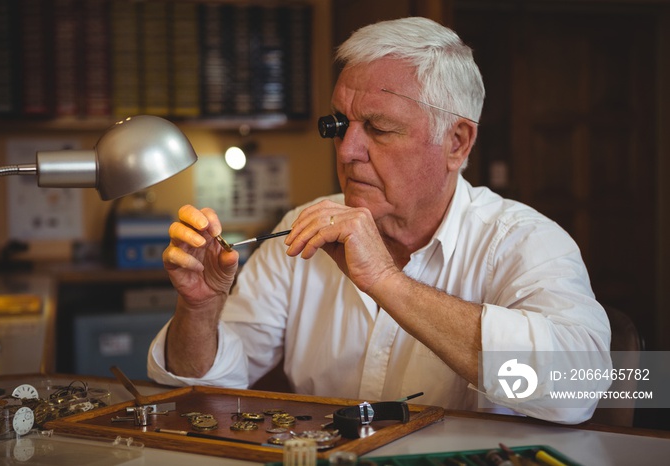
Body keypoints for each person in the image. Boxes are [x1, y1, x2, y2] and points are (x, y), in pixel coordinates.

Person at [148, 17, 611, 424]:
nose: (347, 151)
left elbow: (579, 390)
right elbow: (207, 392)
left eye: (379, 128)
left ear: (457, 142)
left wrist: (387, 282)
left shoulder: (524, 241)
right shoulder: (301, 227)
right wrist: (200, 310)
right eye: (339, 125)